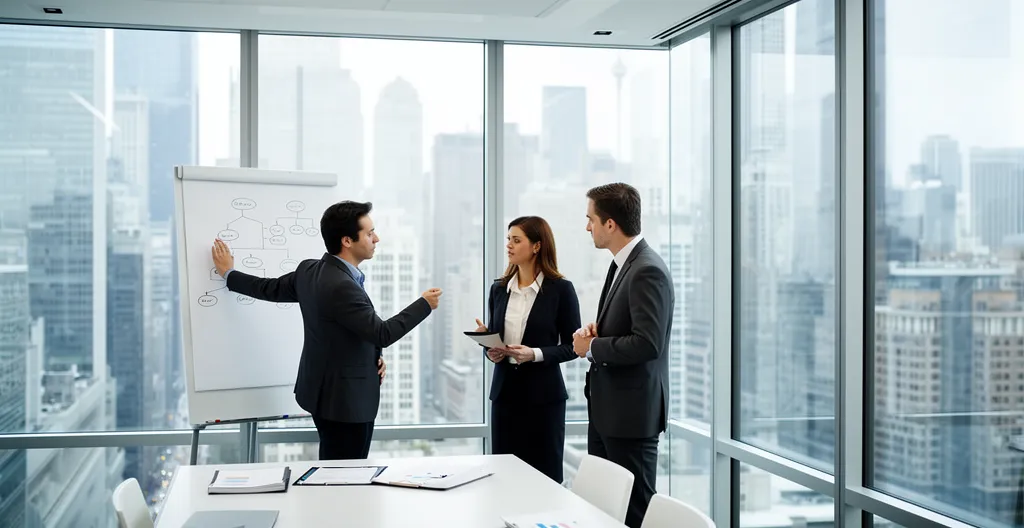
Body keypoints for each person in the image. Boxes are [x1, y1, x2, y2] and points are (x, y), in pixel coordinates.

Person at [211, 200, 442, 460]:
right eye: (369, 233)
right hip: (346, 403)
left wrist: (229, 274)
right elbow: (382, 333)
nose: (376, 238)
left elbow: (269, 288)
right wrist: (424, 304)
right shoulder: (341, 286)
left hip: (325, 394)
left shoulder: (310, 271)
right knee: (344, 478)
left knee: (335, 471)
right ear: (347, 240)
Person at [572, 183, 673, 528]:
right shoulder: (622, 265)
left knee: (635, 514)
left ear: (610, 224)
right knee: (601, 512)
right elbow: (632, 330)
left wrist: (593, 348)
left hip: (630, 419)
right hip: (607, 412)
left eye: (591, 219)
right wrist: (600, 333)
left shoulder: (647, 270)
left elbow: (648, 343)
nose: (588, 227)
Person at [474, 216, 580, 483]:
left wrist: (534, 354)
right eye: (508, 239)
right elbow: (495, 343)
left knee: (545, 477)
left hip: (544, 399)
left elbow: (573, 347)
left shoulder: (561, 290)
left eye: (516, 240)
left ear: (536, 246)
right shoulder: (498, 289)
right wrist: (490, 349)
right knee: (503, 477)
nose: (508, 245)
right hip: (504, 397)